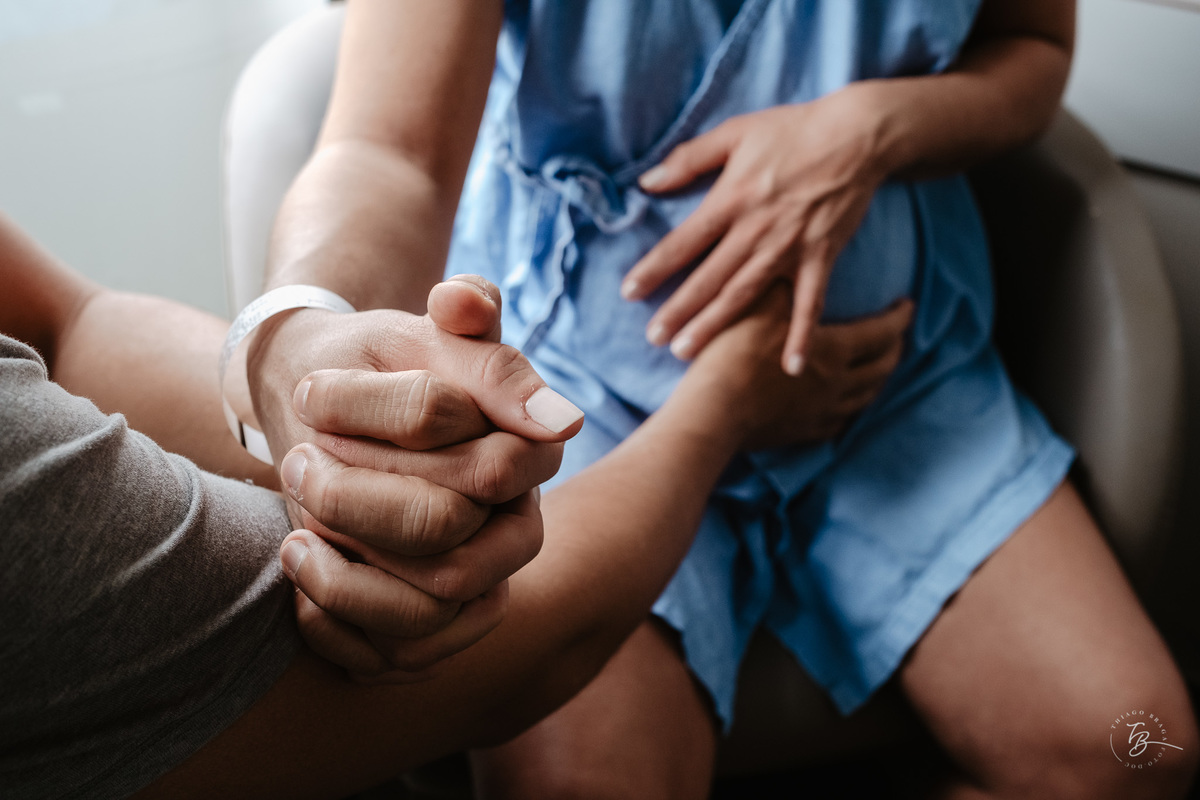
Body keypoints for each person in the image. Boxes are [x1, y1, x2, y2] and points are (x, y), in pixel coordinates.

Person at [241, 1, 1199, 798]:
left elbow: (1032, 48)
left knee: (1141, 753)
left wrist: (868, 129)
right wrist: (300, 329)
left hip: (895, 390)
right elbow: (385, 149)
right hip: (586, 407)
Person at [0, 210, 907, 797]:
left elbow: (64, 321)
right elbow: (524, 651)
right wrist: (729, 394)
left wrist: (284, 355)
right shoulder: (28, 506)